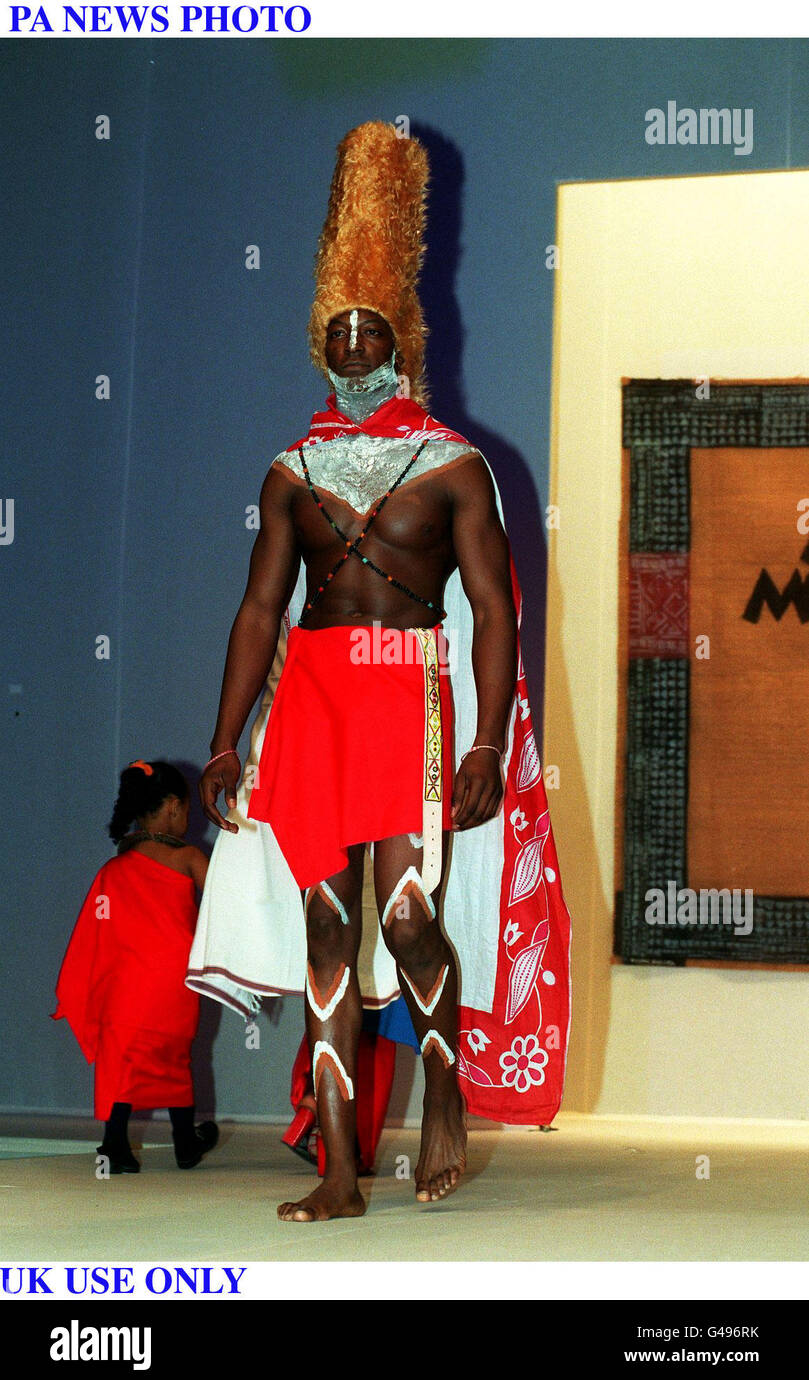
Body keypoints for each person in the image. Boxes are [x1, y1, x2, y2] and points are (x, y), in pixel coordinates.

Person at [195, 122, 572, 1223]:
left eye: (372, 330)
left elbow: (496, 607)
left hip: (408, 693)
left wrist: (488, 740)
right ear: (320, 345)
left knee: (406, 918)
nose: (355, 349)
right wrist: (226, 737)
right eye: (338, 333)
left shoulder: (454, 464)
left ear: (402, 338)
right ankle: (341, 1167)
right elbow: (260, 606)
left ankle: (445, 1095)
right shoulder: (288, 470)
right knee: (325, 926)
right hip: (311, 699)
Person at [53, 760, 218, 1173]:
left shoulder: (114, 868)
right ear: (174, 808)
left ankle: (114, 1143)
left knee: (123, 1060)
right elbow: (223, 902)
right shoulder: (190, 858)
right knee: (174, 1056)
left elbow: (99, 931)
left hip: (125, 986)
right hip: (173, 980)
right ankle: (185, 1143)